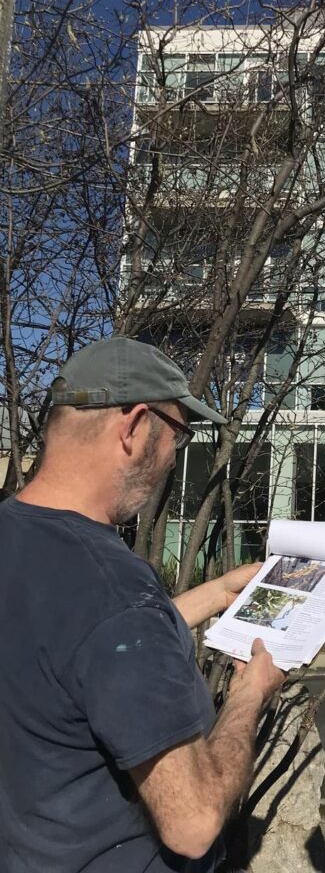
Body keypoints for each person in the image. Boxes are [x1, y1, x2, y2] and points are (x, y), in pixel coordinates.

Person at [0, 336, 285, 872]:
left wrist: (221, 593)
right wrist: (249, 694)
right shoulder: (113, 589)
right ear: (133, 427)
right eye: (178, 433)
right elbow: (194, 824)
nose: (176, 454)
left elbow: (78, 654)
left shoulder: (19, 538)